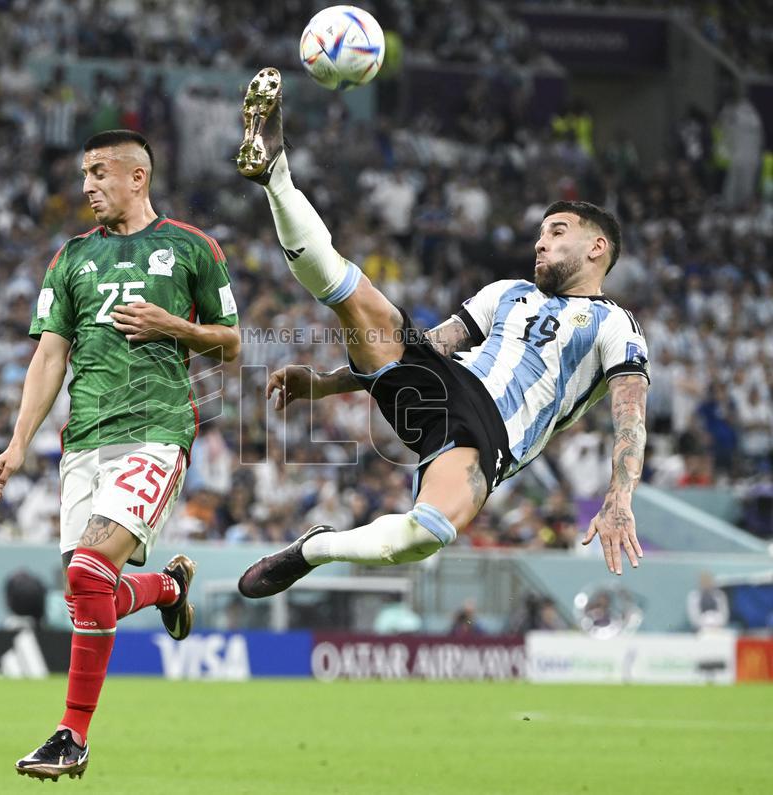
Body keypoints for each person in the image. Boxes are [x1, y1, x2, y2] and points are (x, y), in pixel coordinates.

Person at [233, 68, 649, 600]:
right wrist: (329, 383)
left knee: (421, 534)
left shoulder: (615, 323)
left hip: (490, 432)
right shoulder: (507, 291)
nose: (541, 244)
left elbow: (630, 417)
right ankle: (277, 175)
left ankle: (311, 549)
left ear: (597, 249)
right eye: (541, 233)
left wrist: (620, 495)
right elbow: (430, 347)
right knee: (356, 298)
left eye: (557, 232)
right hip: (442, 381)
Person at [0, 129, 241, 781]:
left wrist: (174, 326)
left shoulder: (191, 248)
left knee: (90, 572)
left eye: (99, 172)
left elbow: (231, 343)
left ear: (137, 177)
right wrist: (18, 443)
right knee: (87, 592)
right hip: (84, 441)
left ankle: (72, 734)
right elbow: (49, 355)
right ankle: (167, 586)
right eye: (84, 174)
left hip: (155, 430)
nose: (87, 186)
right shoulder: (69, 258)